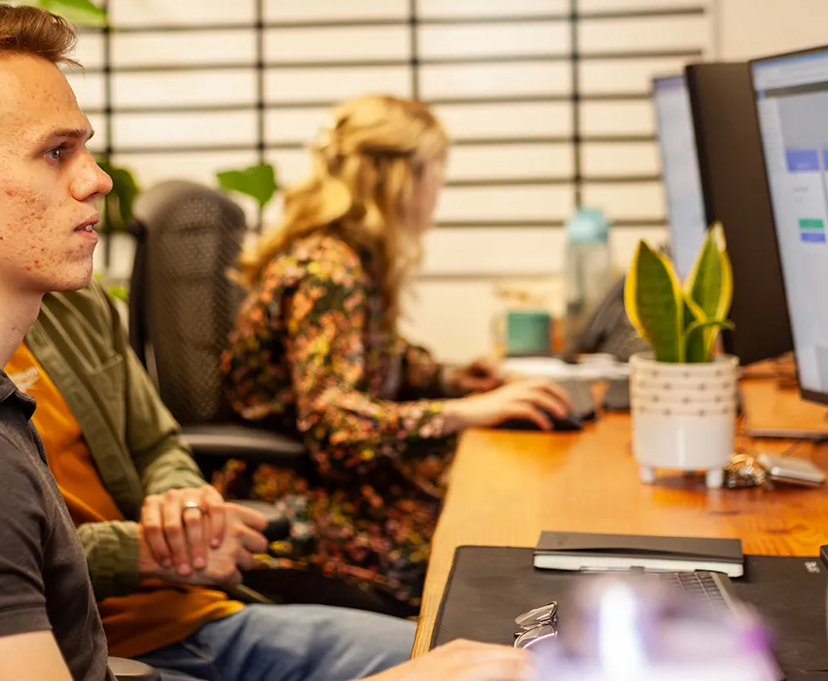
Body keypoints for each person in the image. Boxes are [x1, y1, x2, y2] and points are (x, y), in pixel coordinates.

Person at [0, 4, 532, 681]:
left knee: (490, 652)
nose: (99, 180)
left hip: (161, 634)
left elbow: (151, 455)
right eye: (56, 152)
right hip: (140, 642)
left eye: (87, 150)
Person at [220, 95, 572, 614]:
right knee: (481, 542)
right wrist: (460, 413)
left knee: (496, 514)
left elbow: (363, 355)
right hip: (291, 494)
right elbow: (333, 422)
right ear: (400, 177)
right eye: (436, 172)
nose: (438, 190)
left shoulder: (345, 253)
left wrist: (451, 380)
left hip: (316, 477)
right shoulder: (328, 270)